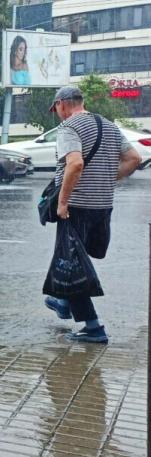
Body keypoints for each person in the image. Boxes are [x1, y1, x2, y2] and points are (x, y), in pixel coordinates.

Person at [43, 86, 142, 343]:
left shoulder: (69, 128)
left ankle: (93, 327)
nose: (57, 115)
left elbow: (75, 163)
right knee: (74, 259)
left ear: (62, 104)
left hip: (77, 207)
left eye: (56, 110)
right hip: (102, 206)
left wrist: (62, 203)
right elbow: (133, 158)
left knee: (72, 266)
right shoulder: (109, 126)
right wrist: (109, 178)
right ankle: (63, 302)